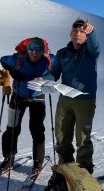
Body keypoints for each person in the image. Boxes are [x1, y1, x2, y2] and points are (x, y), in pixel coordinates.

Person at [42, 18, 100, 174]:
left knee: (82, 138)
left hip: (85, 100)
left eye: (82, 31)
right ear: (70, 33)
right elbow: (54, 73)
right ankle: (66, 167)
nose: (78, 34)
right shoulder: (62, 53)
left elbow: (95, 46)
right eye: (75, 31)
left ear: (86, 35)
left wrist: (92, 32)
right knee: (61, 135)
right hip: (65, 99)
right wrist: (45, 81)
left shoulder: (90, 52)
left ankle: (84, 172)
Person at [0, 37, 55, 175]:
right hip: (18, 96)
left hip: (37, 97)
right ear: (27, 49)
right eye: (31, 49)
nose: (34, 52)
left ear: (44, 51)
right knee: (12, 128)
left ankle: (37, 162)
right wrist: (12, 72)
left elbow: (58, 70)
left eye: (38, 50)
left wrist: (47, 78)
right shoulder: (18, 59)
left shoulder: (50, 60)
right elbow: (3, 60)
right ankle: (8, 159)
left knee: (36, 129)